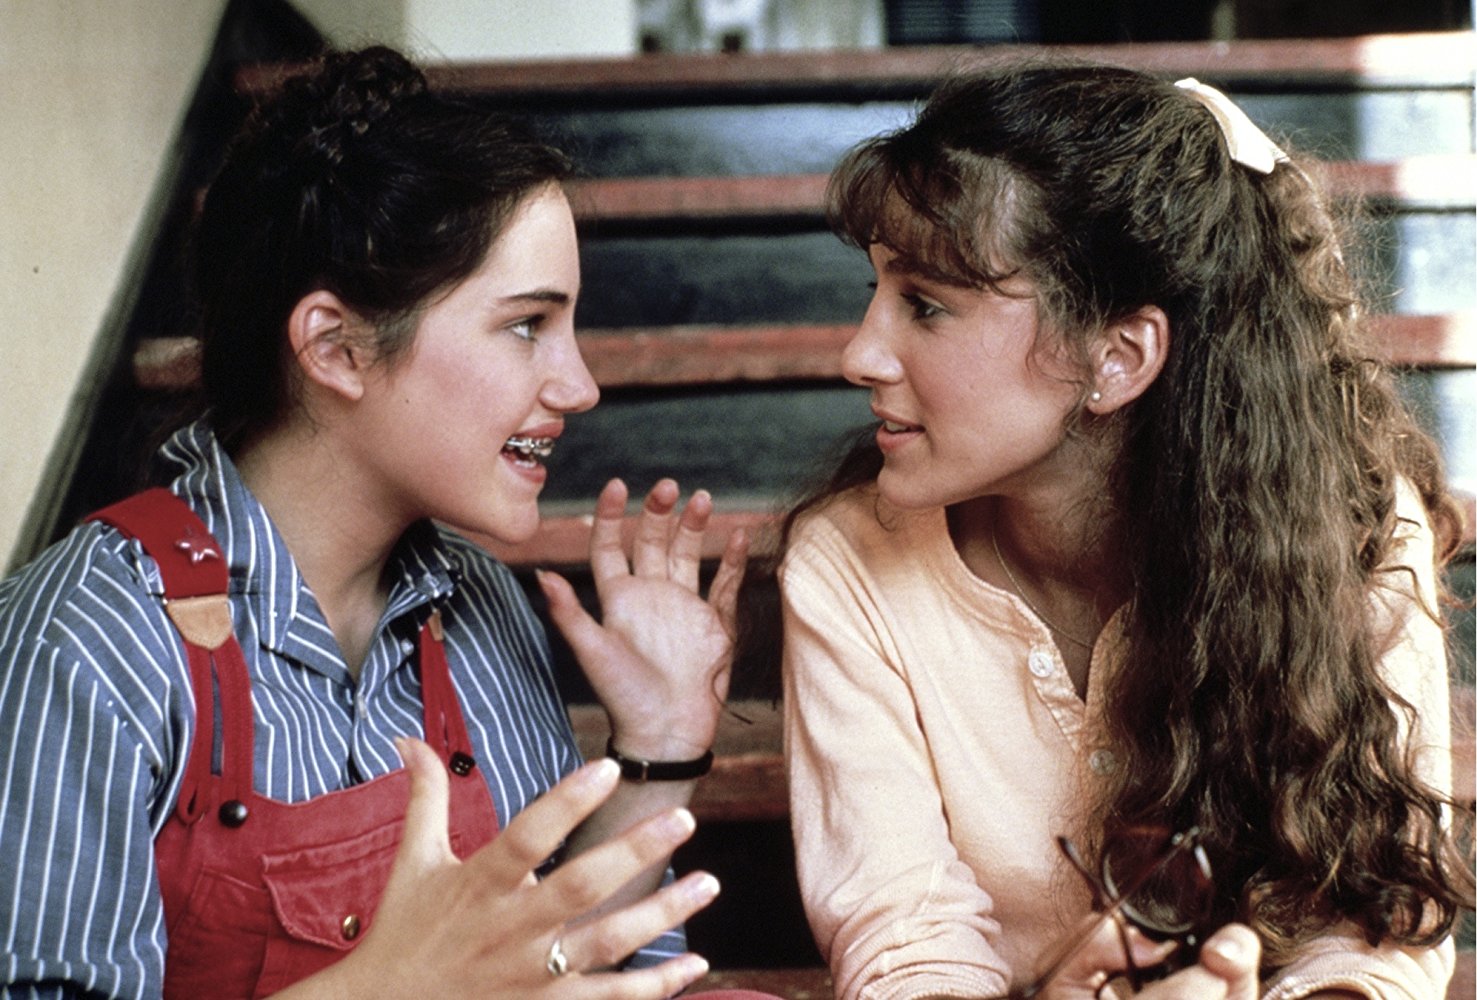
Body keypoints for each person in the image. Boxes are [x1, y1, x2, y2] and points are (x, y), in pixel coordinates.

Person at [0, 46, 753, 999]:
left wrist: (658, 744)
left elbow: (556, 973)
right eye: (527, 324)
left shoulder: (478, 601)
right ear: (337, 349)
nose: (579, 385)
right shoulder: (89, 640)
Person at [769, 62, 1472, 999]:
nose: (859, 353)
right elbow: (906, 945)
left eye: (925, 305)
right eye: (876, 290)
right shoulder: (847, 563)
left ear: (1117, 357)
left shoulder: (1357, 536)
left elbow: (1370, 936)